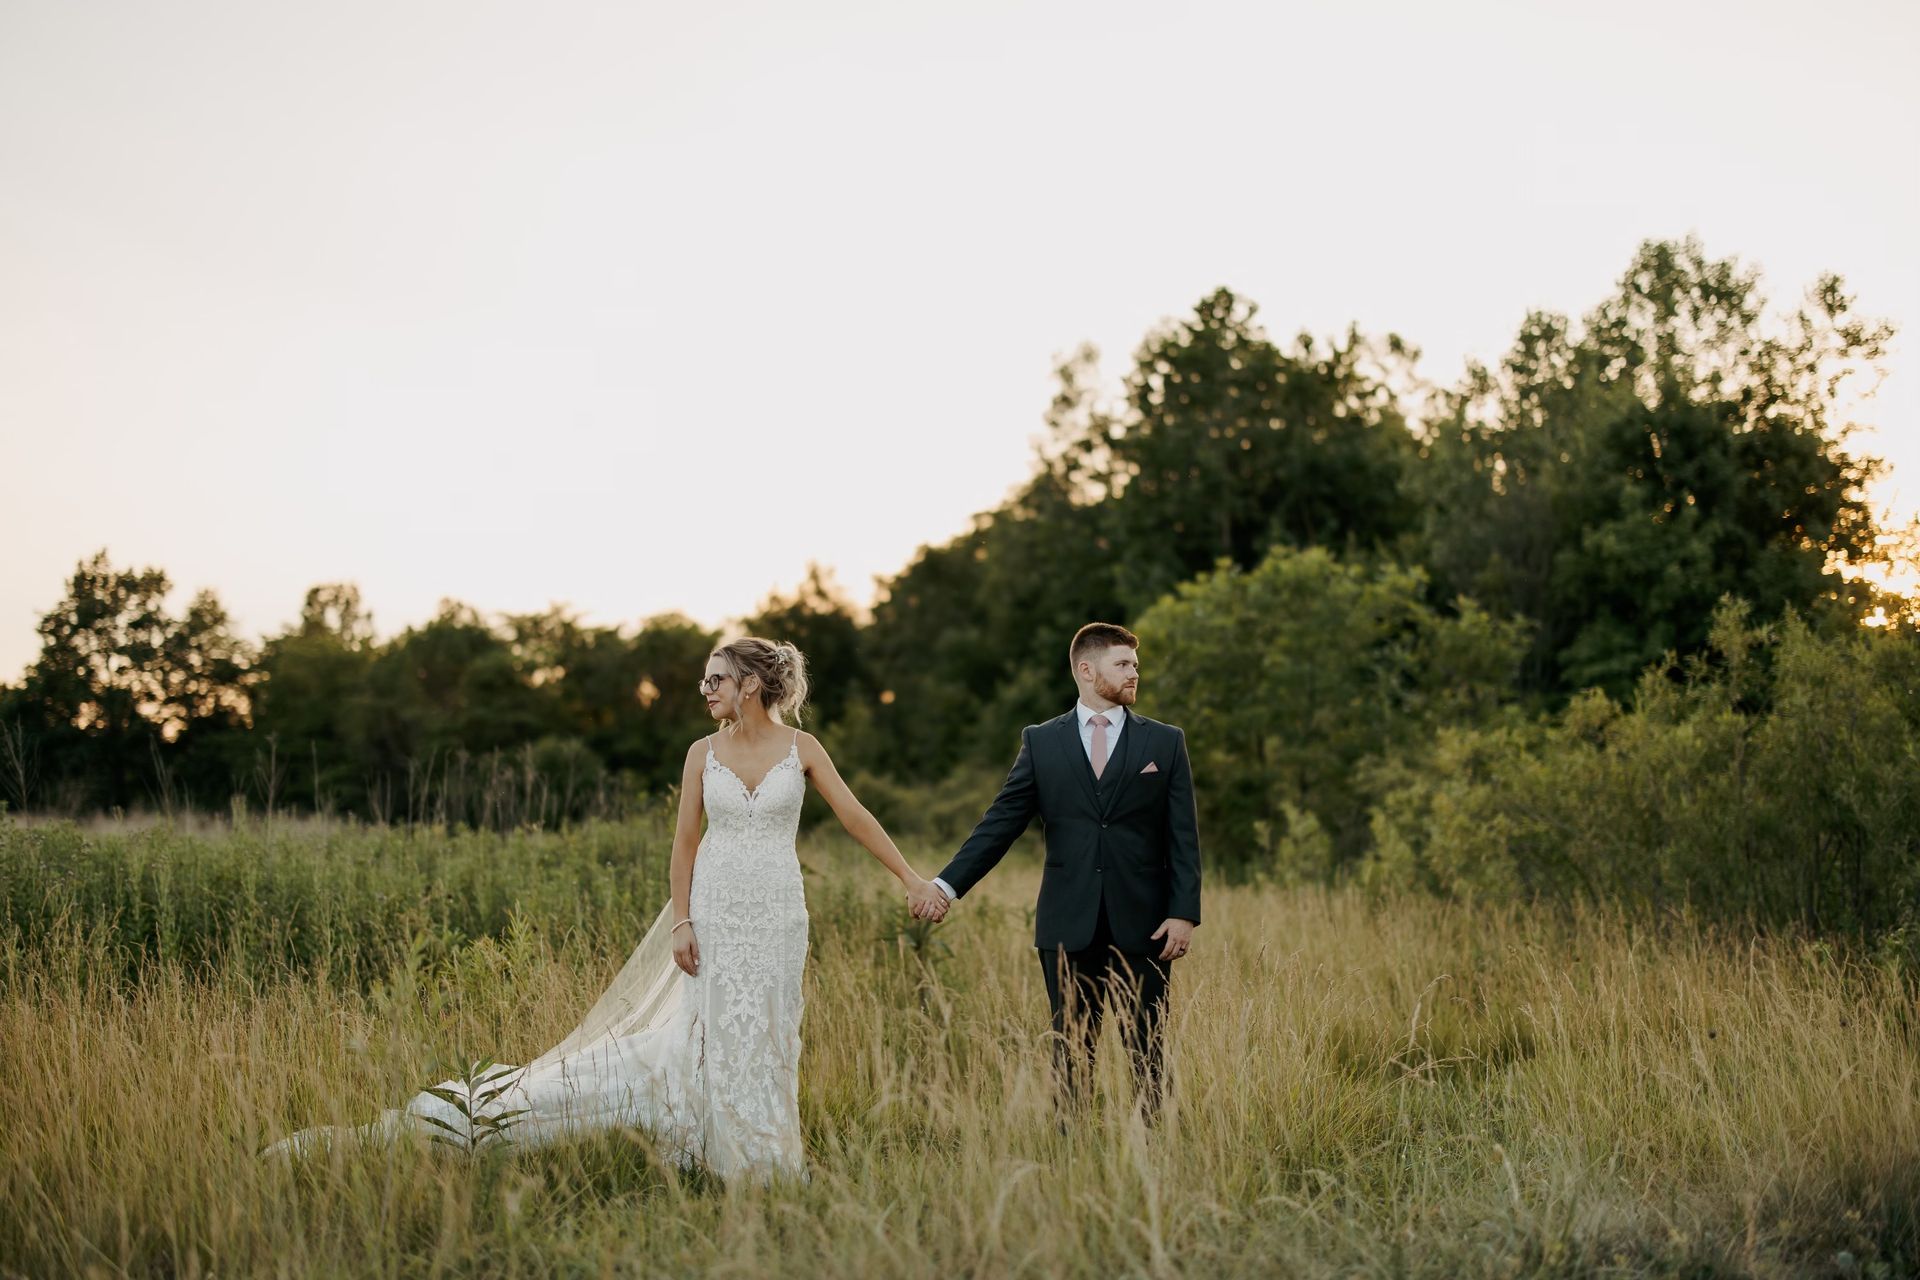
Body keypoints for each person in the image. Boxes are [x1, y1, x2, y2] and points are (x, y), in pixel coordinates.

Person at [264, 637, 945, 1180]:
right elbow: (684, 845)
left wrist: (912, 878)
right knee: (704, 1036)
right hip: (713, 911)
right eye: (705, 679)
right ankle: (701, 1146)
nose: (704, 689)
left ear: (752, 685)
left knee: (767, 1033)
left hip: (777, 916)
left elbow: (854, 817)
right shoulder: (700, 755)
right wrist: (681, 920)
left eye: (716, 678)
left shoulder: (803, 749)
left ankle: (764, 1156)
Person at [920, 622, 1201, 1116]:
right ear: (1086, 670)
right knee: (1071, 1052)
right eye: (1123, 664)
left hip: (1147, 925)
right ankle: (1070, 1155)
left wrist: (1184, 913)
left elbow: (1183, 837)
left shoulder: (1165, 742)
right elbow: (1001, 824)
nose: (1135, 672)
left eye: (1135, 664)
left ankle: (1156, 1155)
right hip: (1067, 926)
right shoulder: (1041, 742)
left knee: (1148, 1051)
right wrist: (945, 885)